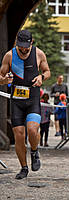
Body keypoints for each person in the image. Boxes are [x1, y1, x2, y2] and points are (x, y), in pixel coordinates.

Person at [0, 29, 51, 179]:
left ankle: (34, 151)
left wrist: (42, 77)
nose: (23, 49)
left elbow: (47, 71)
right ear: (17, 42)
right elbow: (1, 76)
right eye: (20, 46)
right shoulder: (9, 55)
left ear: (31, 42)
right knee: (19, 135)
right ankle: (23, 167)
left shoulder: (39, 54)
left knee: (32, 130)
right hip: (16, 101)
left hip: (33, 98)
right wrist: (4, 81)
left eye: (26, 46)